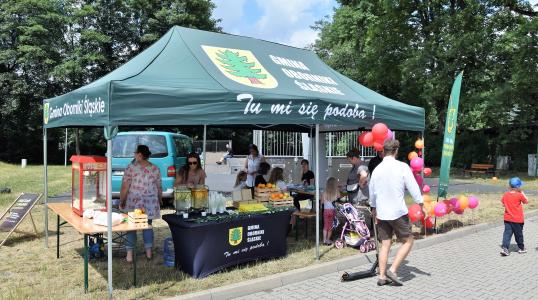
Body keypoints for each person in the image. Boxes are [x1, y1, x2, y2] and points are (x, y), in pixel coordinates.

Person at [369, 139, 423, 286]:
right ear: (396, 151)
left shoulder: (377, 170)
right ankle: (392, 270)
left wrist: (373, 207)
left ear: (384, 151)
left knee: (385, 244)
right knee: (408, 240)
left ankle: (381, 277)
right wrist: (420, 202)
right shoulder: (402, 167)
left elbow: (372, 192)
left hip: (381, 212)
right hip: (398, 212)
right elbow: (412, 186)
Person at [119, 145, 162, 262]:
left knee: (132, 227)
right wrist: (160, 199)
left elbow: (125, 187)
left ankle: (129, 255)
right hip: (150, 202)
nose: (134, 154)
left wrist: (122, 200)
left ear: (140, 155)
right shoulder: (155, 168)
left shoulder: (131, 168)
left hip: (136, 202)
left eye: (135, 152)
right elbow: (159, 187)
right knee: (147, 226)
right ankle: (148, 253)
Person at [500, 177, 529, 256]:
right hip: (517, 220)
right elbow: (526, 201)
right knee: (518, 234)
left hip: (507, 219)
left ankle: (505, 248)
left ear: (509, 186)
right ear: (517, 187)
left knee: (507, 234)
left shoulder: (506, 194)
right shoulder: (519, 195)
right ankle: (521, 248)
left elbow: (503, 203)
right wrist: (522, 192)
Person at [321, 177, 340, 245]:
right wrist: (337, 189)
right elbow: (339, 196)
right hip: (332, 211)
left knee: (325, 226)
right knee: (330, 226)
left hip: (326, 211)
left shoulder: (324, 192)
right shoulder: (335, 192)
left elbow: (322, 202)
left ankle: (324, 240)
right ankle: (328, 239)